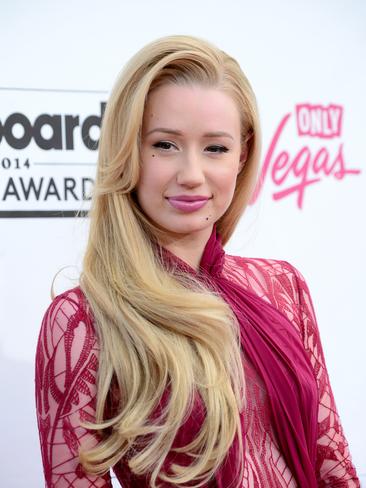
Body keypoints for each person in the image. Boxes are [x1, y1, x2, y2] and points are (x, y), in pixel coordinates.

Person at [35, 35, 360, 488]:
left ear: (242, 155)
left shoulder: (282, 286)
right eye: (165, 145)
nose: (191, 174)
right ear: (127, 150)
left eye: (216, 148)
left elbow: (332, 461)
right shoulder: (82, 321)